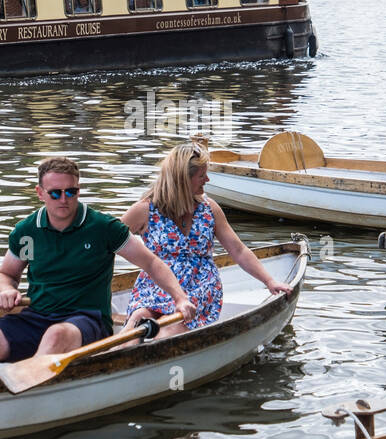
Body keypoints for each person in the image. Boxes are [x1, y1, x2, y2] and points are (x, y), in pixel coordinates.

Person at [0, 157, 198, 362]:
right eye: (55, 193)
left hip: (89, 321)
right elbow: (6, 275)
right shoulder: (27, 232)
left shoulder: (103, 228)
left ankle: (23, 386)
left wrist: (180, 299)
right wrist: (6, 290)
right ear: (40, 193)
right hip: (36, 317)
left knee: (56, 334)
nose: (64, 199)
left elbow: (151, 263)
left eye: (71, 191)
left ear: (79, 190)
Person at [121, 143, 291, 339]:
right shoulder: (144, 210)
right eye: (202, 176)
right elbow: (109, 243)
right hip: (155, 284)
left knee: (171, 329)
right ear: (183, 180)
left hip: (199, 286)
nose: (207, 180)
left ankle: (152, 359)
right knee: (138, 319)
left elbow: (238, 250)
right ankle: (115, 362)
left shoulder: (209, 209)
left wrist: (269, 281)